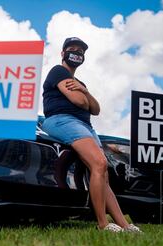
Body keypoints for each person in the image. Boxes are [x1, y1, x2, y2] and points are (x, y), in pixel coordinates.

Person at [42, 37, 141, 233]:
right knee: (99, 164)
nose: (77, 53)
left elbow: (96, 109)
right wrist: (84, 96)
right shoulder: (58, 71)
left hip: (86, 126)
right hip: (62, 120)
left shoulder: (80, 82)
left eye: (81, 51)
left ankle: (124, 225)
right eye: (72, 49)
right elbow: (79, 102)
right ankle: (103, 224)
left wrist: (85, 91)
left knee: (103, 174)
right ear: (63, 53)